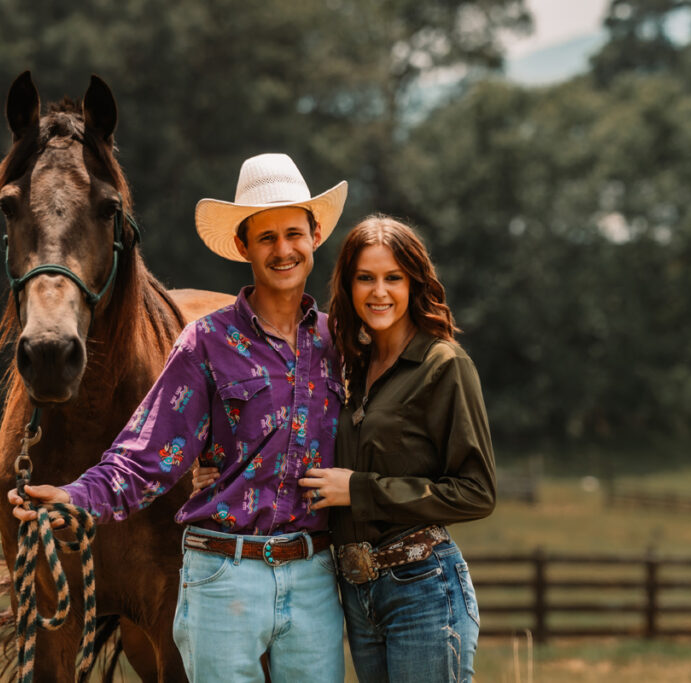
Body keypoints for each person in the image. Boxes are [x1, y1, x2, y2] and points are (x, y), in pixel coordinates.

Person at [8, 152, 350, 682]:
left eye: (293, 233)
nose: (282, 250)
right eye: (266, 237)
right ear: (243, 246)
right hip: (226, 579)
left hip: (311, 580)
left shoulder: (337, 344)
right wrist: (78, 496)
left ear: (315, 234)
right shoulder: (206, 344)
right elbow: (149, 454)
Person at [194, 214, 496, 682]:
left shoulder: (443, 365)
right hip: (356, 593)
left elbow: (476, 492)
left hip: (422, 586)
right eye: (366, 278)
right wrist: (226, 471)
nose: (379, 292)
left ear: (415, 284)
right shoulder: (346, 365)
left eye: (394, 278)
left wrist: (361, 490)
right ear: (348, 286)